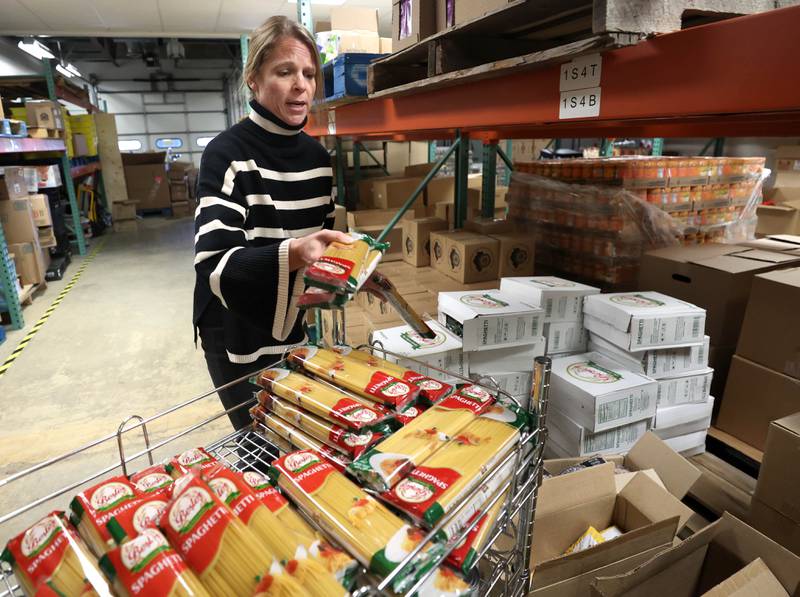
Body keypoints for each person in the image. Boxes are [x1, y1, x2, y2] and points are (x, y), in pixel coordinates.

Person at [193, 16, 351, 430]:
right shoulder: (226, 154)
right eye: (285, 72)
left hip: (290, 321)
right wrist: (297, 253)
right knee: (260, 442)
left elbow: (320, 256)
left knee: (296, 438)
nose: (301, 85)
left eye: (308, 74)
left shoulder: (319, 161)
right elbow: (214, 264)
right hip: (234, 328)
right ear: (254, 78)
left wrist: (344, 275)